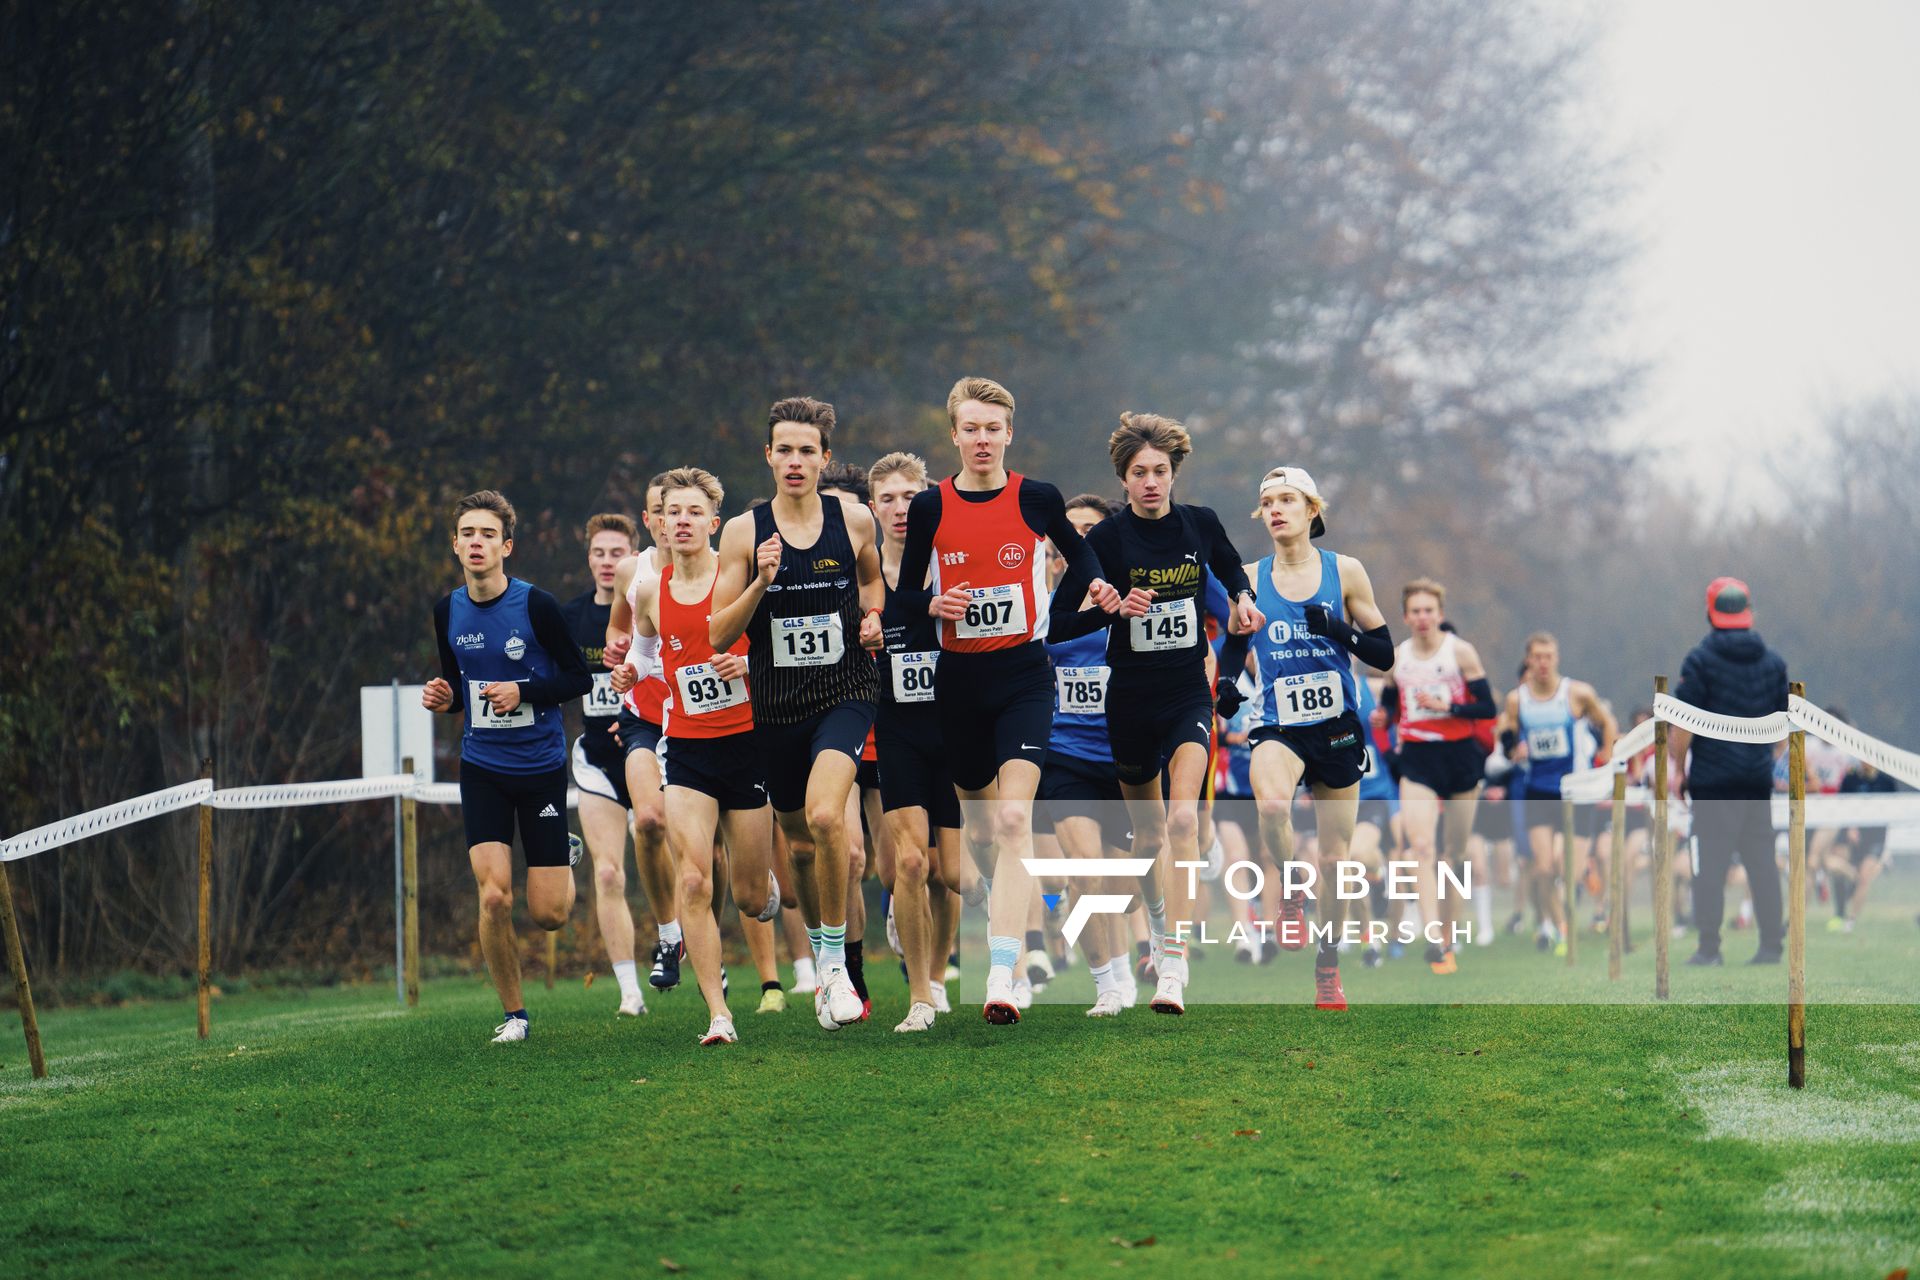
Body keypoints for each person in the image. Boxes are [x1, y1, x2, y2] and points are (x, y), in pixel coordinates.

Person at [888, 376, 1119, 1023]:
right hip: (959, 686)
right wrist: (933, 605)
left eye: (994, 428)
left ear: (1008, 434)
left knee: (1015, 821)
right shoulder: (931, 508)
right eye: (971, 428)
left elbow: (1083, 556)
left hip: (1023, 678)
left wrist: (1097, 589)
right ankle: (1008, 934)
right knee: (984, 838)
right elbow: (904, 602)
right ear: (954, 435)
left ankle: (1000, 969)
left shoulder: (1037, 498)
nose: (983, 439)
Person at [1050, 415, 1261, 1015]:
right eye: (1139, 473)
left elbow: (1230, 569)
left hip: (1186, 696)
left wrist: (1244, 602)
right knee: (1146, 835)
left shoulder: (1200, 524)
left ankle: (1175, 964)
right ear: (1122, 479)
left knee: (1180, 821)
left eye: (1160, 472)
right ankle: (1163, 927)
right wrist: (1111, 609)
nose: (1151, 482)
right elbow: (1061, 625)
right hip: (1131, 702)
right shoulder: (1108, 542)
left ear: (1174, 473)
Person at [710, 396, 884, 1030]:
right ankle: (823, 949)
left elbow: (872, 581)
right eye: (784, 449)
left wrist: (872, 619)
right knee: (801, 845)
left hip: (846, 691)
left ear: (825, 458)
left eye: (807, 450)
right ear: (768, 456)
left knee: (824, 815)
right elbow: (717, 637)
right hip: (777, 707)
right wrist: (758, 582)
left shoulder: (855, 520)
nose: (795, 460)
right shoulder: (742, 533)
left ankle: (834, 965)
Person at [614, 468, 781, 1046]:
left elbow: (781, 657)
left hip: (746, 745)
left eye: (692, 513)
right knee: (693, 879)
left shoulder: (733, 580)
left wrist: (749, 672)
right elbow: (646, 649)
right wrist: (631, 671)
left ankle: (764, 889)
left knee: (751, 897)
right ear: (657, 523)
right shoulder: (648, 588)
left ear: (714, 523)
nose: (679, 522)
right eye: (670, 512)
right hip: (685, 748)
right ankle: (718, 1013)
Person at [423, 490, 593, 1043]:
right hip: (483, 768)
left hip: (540, 767)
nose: (477, 542)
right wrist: (443, 696)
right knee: (494, 894)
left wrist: (520, 691)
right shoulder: (446, 609)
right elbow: (461, 689)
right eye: (468, 533)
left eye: (488, 534)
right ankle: (515, 1016)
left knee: (549, 916)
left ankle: (564, 853)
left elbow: (577, 679)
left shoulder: (537, 606)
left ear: (507, 546)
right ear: (455, 545)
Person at [1222, 466, 1391, 1010]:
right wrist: (1226, 684)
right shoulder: (1248, 576)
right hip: (1278, 723)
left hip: (1338, 728)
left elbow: (1385, 656)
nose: (1275, 510)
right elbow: (1232, 645)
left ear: (1311, 510)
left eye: (1287, 500)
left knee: (1337, 863)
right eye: (1267, 501)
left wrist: (1337, 629)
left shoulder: (1346, 572)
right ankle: (1291, 888)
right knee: (1272, 803)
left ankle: (1328, 964)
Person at [868, 451, 971, 1031]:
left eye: (911, 497)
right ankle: (920, 998)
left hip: (955, 730)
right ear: (874, 506)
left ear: (927, 500)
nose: (901, 508)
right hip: (898, 730)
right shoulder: (865, 572)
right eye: (888, 498)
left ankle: (936, 967)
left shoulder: (952, 561)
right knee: (909, 861)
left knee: (949, 874)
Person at [1041, 493, 1144, 1016]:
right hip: (1065, 757)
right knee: (1084, 871)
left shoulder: (1130, 602)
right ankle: (1106, 984)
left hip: (1127, 760)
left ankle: (1122, 969)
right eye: (1070, 532)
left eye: (1090, 531)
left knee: (1122, 887)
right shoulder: (1043, 605)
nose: (1078, 541)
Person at [559, 512, 652, 1016]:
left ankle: (676, 943)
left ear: (632, 557)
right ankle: (629, 991)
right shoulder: (570, 617)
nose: (606, 561)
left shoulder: (650, 604)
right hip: (595, 760)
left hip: (648, 751)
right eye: (598, 552)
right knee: (610, 874)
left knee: (665, 855)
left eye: (616, 552)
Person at [1670, 577, 1790, 965]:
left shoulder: (1699, 660)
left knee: (1711, 866)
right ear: (1748, 611)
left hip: (1712, 780)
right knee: (1761, 864)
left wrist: (1677, 770)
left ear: (1710, 612)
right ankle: (1772, 946)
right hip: (1755, 780)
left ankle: (1709, 948)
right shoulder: (1773, 662)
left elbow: (1682, 723)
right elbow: (1783, 727)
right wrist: (1765, 763)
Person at [602, 480, 689, 994]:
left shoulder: (718, 567)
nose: (669, 520)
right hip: (643, 715)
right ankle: (669, 934)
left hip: (700, 715)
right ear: (649, 516)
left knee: (713, 852)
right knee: (650, 822)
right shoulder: (633, 570)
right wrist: (617, 654)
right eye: (661, 511)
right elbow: (619, 631)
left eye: (679, 510)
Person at [1387, 578, 1494, 975]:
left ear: (1440, 614)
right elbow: (1387, 702)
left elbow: (1487, 707)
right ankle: (1433, 935)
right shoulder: (1398, 658)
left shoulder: (1460, 653)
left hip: (1460, 758)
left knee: (1454, 854)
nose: (1422, 617)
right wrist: (1385, 718)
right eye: (1415, 611)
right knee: (1421, 847)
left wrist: (1448, 705)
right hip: (1417, 757)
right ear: (1405, 616)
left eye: (1428, 610)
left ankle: (1448, 933)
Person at [1497, 632, 1617, 956]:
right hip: (1538, 791)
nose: (1543, 663)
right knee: (1543, 867)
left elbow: (1607, 722)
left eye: (1548, 656)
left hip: (1575, 791)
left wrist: (1606, 754)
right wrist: (1512, 749)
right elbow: (1505, 730)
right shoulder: (1517, 699)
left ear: (1557, 658)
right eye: (1537, 657)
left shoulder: (1576, 693)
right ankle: (1556, 926)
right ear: (1528, 661)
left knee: (1570, 872)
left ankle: (1560, 920)